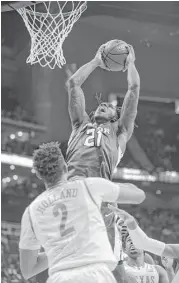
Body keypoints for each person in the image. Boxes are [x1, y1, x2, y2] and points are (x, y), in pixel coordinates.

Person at [19, 142, 145, 283]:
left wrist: (62, 249)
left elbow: (28, 270)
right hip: (95, 275)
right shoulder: (88, 186)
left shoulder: (31, 212)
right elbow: (139, 196)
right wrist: (111, 186)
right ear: (65, 167)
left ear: (38, 175)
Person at [66, 42, 140, 181]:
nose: (104, 104)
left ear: (116, 117)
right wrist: (95, 62)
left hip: (98, 194)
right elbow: (73, 83)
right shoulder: (80, 124)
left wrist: (130, 63)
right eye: (102, 105)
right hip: (72, 190)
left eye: (109, 107)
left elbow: (134, 88)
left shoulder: (120, 131)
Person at [108, 206, 179, 283]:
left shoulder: (151, 263)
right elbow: (144, 242)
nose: (123, 228)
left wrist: (169, 270)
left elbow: (143, 242)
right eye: (121, 226)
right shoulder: (113, 254)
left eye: (126, 226)